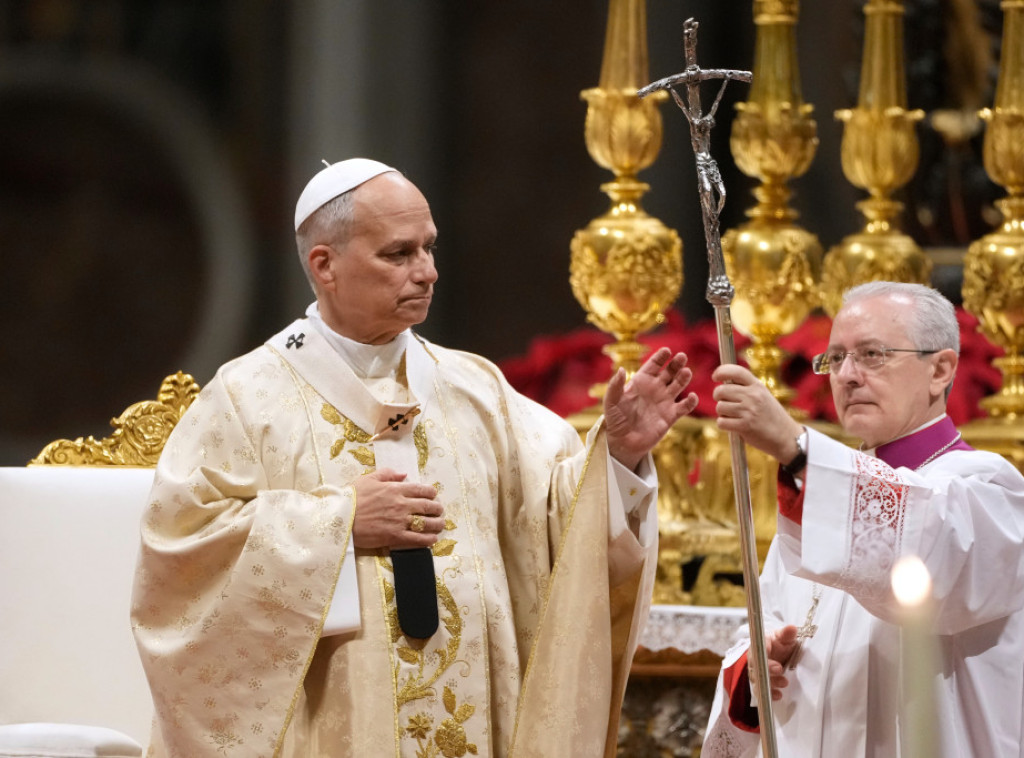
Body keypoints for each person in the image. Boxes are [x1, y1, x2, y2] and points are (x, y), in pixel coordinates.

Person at [130, 158, 699, 758]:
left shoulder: (476, 389)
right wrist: (339, 523)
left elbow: (554, 523)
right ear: (325, 265)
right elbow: (182, 553)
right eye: (398, 254)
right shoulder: (248, 399)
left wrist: (621, 457)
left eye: (429, 248)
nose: (427, 271)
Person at [701, 281, 1024, 757]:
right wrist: (756, 668)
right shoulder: (816, 499)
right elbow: (761, 622)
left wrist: (794, 445)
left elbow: (932, 556)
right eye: (835, 358)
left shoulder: (988, 491)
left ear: (940, 370)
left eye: (872, 354)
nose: (847, 376)